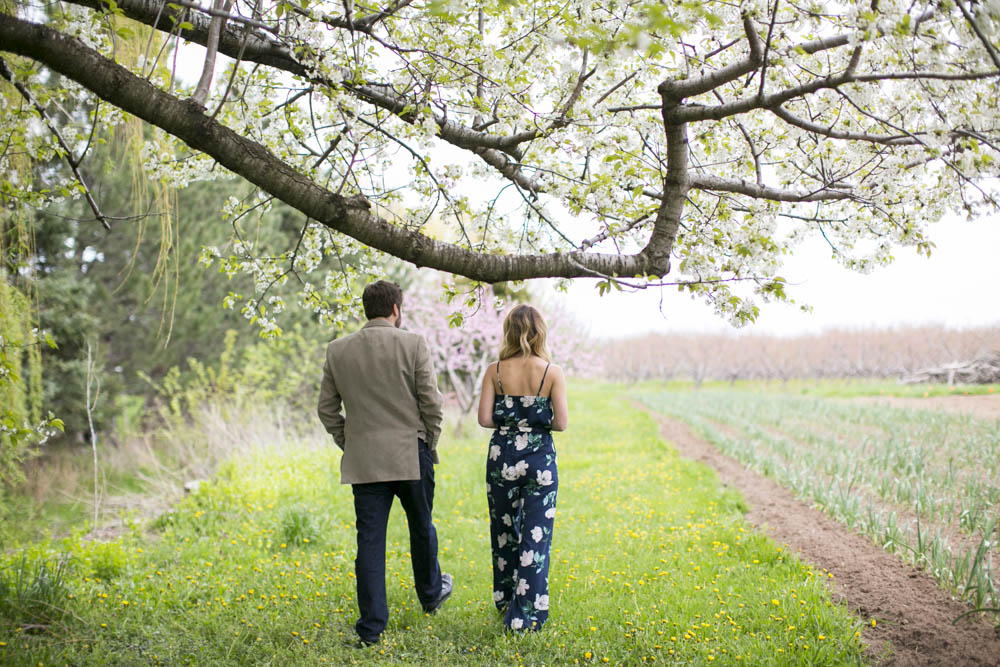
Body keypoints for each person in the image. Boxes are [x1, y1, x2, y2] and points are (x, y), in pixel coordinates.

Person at [317, 280, 452, 646]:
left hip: (365, 461)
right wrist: (429, 440)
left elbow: (326, 410)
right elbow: (432, 403)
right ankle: (430, 595)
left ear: (367, 309)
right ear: (396, 309)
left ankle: (372, 627)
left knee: (370, 542)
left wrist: (349, 441)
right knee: (422, 528)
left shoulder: (338, 350)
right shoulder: (413, 344)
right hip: (411, 452)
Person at [477, 304, 568, 632]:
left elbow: (484, 419)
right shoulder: (551, 372)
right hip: (539, 461)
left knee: (504, 533)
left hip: (502, 458)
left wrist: (511, 422)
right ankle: (525, 615)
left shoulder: (494, 371)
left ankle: (505, 599)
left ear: (509, 332)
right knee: (535, 536)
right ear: (539, 331)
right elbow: (561, 424)